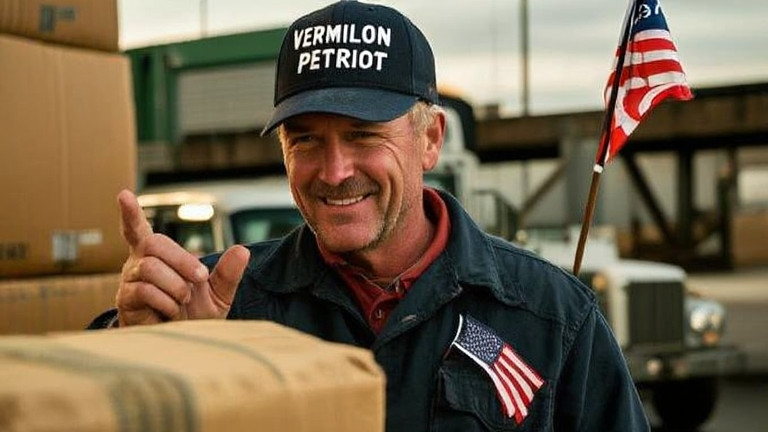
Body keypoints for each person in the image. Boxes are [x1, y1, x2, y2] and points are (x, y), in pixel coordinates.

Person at [91, 1, 650, 430]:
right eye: (305, 139)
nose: (334, 172)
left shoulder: (552, 319)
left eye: (363, 135)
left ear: (429, 140)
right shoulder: (213, 303)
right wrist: (140, 352)